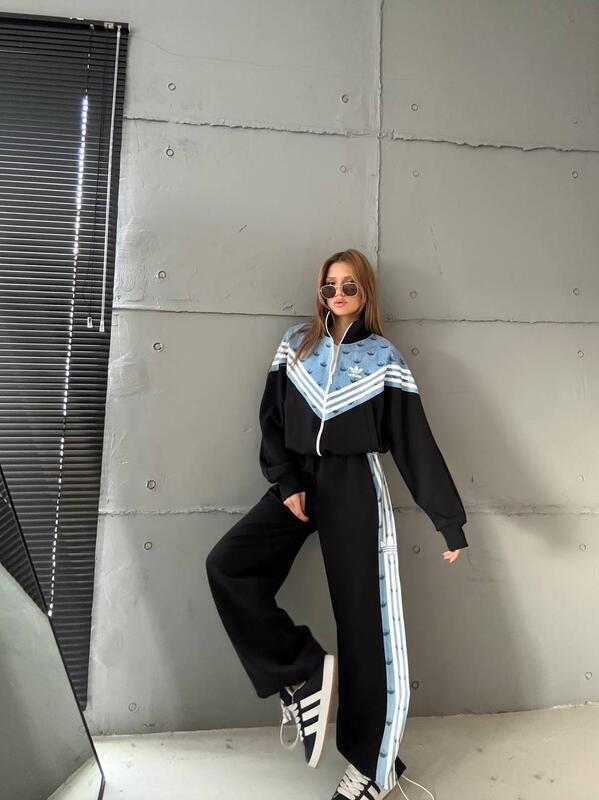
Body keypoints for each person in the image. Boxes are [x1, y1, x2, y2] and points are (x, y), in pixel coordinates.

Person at [205, 248, 468, 800]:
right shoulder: (296, 344)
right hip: (300, 479)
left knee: (366, 629)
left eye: (349, 285)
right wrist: (286, 480)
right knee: (229, 565)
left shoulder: (384, 358)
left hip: (354, 486)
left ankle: (373, 768)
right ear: (320, 292)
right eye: (330, 286)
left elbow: (414, 442)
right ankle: (300, 672)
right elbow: (271, 419)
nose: (339, 294)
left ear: (365, 291)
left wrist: (448, 521)